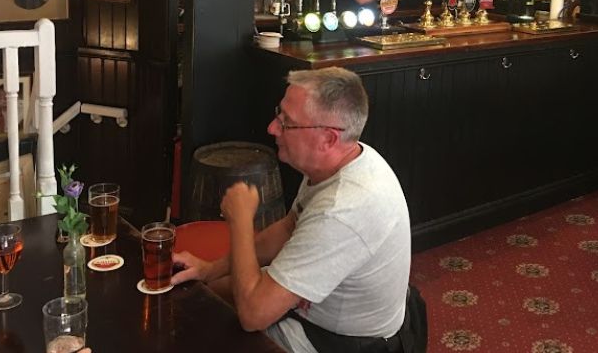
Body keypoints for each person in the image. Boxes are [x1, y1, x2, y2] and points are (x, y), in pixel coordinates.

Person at [172, 67, 416, 352]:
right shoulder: (341, 160)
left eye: (287, 122)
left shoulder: (342, 209)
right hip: (316, 317)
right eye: (280, 113)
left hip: (343, 343)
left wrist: (239, 220)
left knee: (190, 331)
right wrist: (209, 270)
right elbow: (288, 228)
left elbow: (253, 315)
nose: (272, 128)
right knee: (203, 295)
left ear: (328, 139)